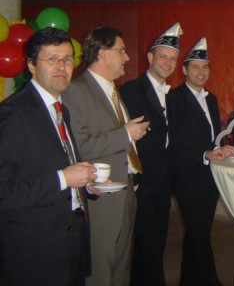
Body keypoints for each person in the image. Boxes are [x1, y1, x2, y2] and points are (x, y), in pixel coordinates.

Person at [0, 28, 98, 286]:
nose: (61, 66)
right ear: (32, 65)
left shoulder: (60, 109)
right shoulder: (11, 115)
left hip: (72, 241)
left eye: (67, 59)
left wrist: (86, 183)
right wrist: (63, 179)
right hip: (34, 253)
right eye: (52, 59)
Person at [63, 27, 150, 286]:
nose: (127, 57)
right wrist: (126, 134)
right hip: (101, 196)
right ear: (102, 53)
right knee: (100, 269)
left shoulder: (112, 90)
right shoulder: (76, 90)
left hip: (125, 190)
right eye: (121, 51)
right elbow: (79, 146)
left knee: (119, 267)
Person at [167, 37, 234, 286]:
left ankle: (188, 281)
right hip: (186, 176)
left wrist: (219, 148)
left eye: (205, 67)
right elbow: (177, 138)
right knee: (198, 234)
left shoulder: (211, 98)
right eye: (195, 67)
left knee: (199, 232)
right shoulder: (174, 98)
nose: (201, 72)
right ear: (184, 70)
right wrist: (206, 153)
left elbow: (209, 137)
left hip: (209, 176)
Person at [120, 23, 182, 286]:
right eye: (163, 56)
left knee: (153, 244)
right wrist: (132, 177)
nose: (167, 63)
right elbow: (124, 139)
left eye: (173, 59)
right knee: (150, 245)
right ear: (150, 57)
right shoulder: (130, 91)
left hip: (163, 182)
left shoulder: (173, 96)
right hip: (143, 182)